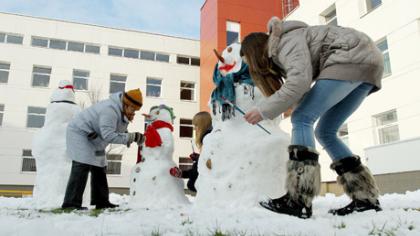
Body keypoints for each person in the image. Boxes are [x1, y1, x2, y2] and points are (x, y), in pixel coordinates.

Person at [242, 17, 384, 218]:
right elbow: (302, 89)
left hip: (349, 58)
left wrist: (263, 110)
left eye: (249, 62)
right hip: (368, 64)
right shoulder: (287, 42)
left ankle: (298, 198)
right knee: (325, 132)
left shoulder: (285, 43)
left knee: (301, 119)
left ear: (255, 53)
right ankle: (365, 198)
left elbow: (299, 82)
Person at [62, 88, 145, 210]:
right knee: (81, 165)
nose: (134, 112)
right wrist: (130, 137)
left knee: (99, 166)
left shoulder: (121, 111)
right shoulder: (110, 110)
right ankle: (70, 204)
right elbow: (109, 135)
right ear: (126, 104)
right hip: (80, 133)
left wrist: (127, 137)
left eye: (136, 110)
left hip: (94, 137)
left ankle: (101, 201)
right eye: (133, 109)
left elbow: (116, 127)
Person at [169, 111, 212, 193]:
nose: (194, 128)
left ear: (202, 125)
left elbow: (206, 167)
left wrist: (183, 174)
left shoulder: (207, 139)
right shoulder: (208, 138)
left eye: (196, 125)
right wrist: (199, 158)